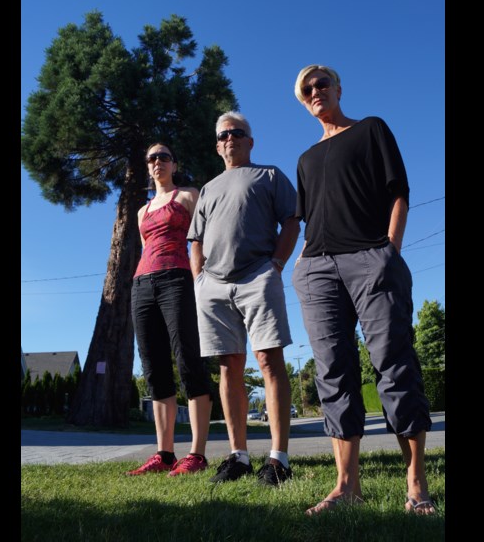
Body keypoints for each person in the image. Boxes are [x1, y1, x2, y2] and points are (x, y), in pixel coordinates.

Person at [290, 65, 437, 516]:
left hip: (371, 257)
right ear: (303, 101)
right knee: (332, 371)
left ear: (337, 88)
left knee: (393, 363)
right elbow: (308, 219)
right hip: (316, 269)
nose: (316, 91)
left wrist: (389, 250)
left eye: (322, 83)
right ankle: (346, 486)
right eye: (307, 88)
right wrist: (301, 263)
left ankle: (416, 481)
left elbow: (399, 191)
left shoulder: (371, 129)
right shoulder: (305, 160)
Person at [188, 112, 300, 487]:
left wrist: (277, 264)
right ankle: (238, 457)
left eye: (238, 133)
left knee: (269, 359)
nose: (230, 138)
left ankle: (278, 459)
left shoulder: (269, 175)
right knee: (228, 366)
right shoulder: (208, 188)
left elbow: (292, 221)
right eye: (223, 135)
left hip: (258, 276)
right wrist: (199, 280)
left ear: (251, 141)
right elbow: (196, 240)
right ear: (217, 145)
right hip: (214, 286)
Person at [126, 142, 213, 477]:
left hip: (179, 280)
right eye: (151, 158)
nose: (157, 162)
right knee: (154, 366)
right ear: (147, 167)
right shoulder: (142, 211)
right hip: (142, 284)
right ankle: (164, 454)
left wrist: (200, 278)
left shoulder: (188, 196)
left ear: (174, 164)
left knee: (188, 359)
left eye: (163, 157)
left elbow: (204, 237)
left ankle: (196, 454)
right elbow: (147, 247)